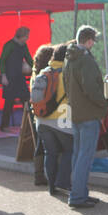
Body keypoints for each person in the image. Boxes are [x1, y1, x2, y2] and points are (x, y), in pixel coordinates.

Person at [64, 25, 108, 208]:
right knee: (85, 156)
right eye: (93, 41)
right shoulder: (85, 60)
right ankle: (77, 196)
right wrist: (103, 103)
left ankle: (80, 193)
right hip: (89, 113)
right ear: (90, 40)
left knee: (78, 155)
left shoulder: (70, 58)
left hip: (76, 112)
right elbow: (91, 88)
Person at [33, 42, 75, 198]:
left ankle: (52, 186)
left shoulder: (44, 72)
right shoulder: (67, 73)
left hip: (42, 121)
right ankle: (63, 183)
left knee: (50, 153)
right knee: (69, 151)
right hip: (62, 120)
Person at [24, 43, 56, 187]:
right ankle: (47, 175)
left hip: (35, 111)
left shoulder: (35, 72)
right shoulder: (48, 74)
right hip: (48, 111)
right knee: (47, 145)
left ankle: (38, 174)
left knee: (39, 143)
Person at [0, 26, 34, 130]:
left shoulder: (24, 46)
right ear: (21, 36)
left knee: (26, 101)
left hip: (20, 77)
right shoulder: (9, 45)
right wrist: (3, 75)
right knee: (9, 102)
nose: (27, 38)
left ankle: (30, 124)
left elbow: (29, 59)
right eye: (26, 36)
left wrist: (36, 68)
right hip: (9, 77)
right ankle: (4, 126)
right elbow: (2, 60)